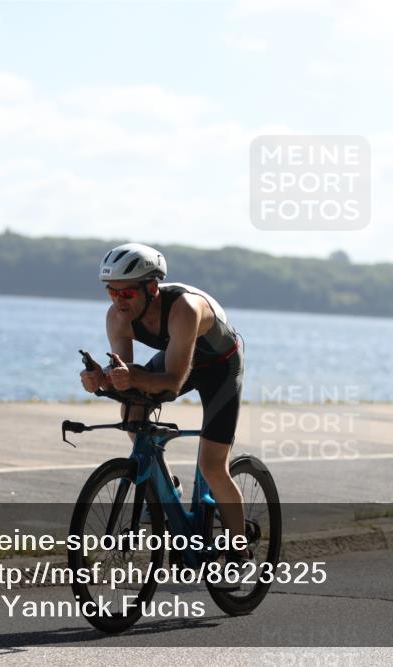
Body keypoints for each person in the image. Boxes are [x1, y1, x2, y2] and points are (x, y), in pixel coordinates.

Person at [79, 242, 250, 587]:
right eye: (111, 292)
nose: (118, 300)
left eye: (126, 292)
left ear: (151, 288)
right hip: (179, 359)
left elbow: (171, 383)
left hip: (220, 366)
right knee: (133, 409)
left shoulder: (183, 308)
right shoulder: (117, 317)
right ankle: (164, 485)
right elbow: (128, 380)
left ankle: (239, 550)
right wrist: (102, 382)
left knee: (212, 466)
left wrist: (131, 378)